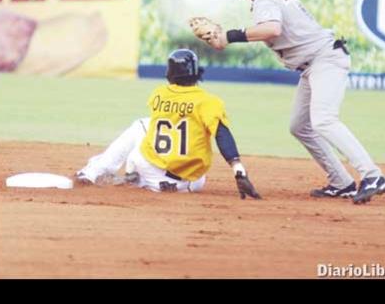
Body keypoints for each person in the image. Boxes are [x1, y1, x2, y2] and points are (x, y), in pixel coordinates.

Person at [200, 0, 385, 205]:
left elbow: (272, 29)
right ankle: (341, 182)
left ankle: (373, 176)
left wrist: (229, 36)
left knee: (324, 120)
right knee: (300, 126)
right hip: (315, 63)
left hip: (324, 60)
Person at [74, 49, 262, 199]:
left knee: (141, 125)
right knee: (184, 130)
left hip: (150, 170)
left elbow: (172, 116)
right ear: (197, 74)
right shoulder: (209, 102)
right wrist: (239, 171)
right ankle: (136, 178)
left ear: (169, 74)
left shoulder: (158, 94)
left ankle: (95, 173)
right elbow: (222, 135)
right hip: (190, 184)